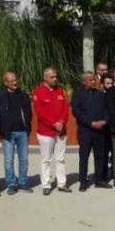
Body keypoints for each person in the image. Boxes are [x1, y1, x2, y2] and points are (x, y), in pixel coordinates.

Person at [31, 67, 71, 196]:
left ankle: (62, 183)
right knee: (46, 160)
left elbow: (65, 108)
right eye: (52, 77)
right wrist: (53, 123)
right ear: (45, 78)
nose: (55, 79)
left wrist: (62, 122)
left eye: (55, 76)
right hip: (46, 132)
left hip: (61, 131)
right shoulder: (38, 91)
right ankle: (46, 185)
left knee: (60, 159)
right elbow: (40, 112)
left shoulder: (60, 90)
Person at [72, 71, 110, 192]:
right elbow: (76, 111)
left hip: (100, 130)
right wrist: (90, 122)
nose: (93, 82)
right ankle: (83, 181)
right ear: (84, 82)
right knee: (84, 157)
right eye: (90, 80)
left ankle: (99, 179)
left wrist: (104, 121)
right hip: (85, 130)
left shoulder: (100, 94)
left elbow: (106, 109)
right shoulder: (78, 94)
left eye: (94, 79)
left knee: (100, 156)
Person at [0, 70, 33, 195]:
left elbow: (29, 113)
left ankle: (22, 183)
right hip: (8, 133)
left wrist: (27, 127)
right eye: (11, 81)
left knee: (24, 160)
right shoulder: (0, 96)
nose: (14, 83)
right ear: (6, 83)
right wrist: (2, 129)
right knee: (8, 161)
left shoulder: (23, 95)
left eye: (15, 80)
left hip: (22, 131)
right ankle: (11, 184)